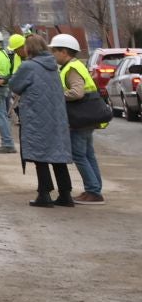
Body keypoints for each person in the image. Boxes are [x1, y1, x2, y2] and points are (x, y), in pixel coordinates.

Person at [8, 33, 74, 207]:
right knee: (57, 154)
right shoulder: (53, 65)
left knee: (40, 154)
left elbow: (15, 85)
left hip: (37, 116)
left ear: (29, 49)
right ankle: (65, 194)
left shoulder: (28, 66)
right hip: (56, 116)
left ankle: (44, 194)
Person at [53, 33, 108, 205]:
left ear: (64, 52)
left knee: (79, 155)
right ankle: (94, 189)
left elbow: (77, 93)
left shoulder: (71, 68)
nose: (53, 54)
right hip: (87, 116)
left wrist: (57, 95)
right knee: (88, 154)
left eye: (55, 51)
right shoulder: (75, 65)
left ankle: (93, 192)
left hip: (80, 118)